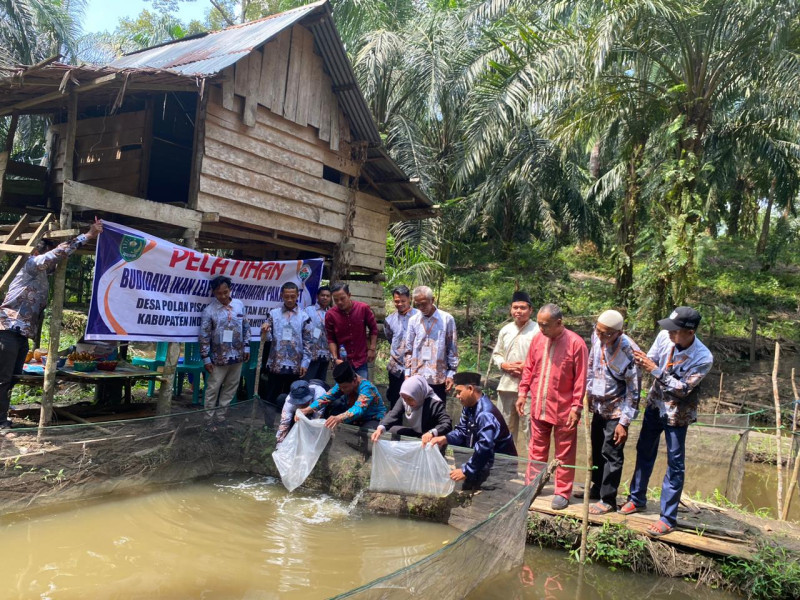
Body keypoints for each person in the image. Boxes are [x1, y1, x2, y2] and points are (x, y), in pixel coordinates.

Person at [0, 219, 103, 432]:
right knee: (3, 378)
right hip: (6, 330)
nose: (55, 265)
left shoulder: (42, 278)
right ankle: (0, 421)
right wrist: (88, 235)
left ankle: (2, 415)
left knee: (12, 378)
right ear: (41, 253)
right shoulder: (30, 265)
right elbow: (56, 254)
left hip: (20, 335)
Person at [620, 307, 713, 537]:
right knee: (644, 450)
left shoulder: (703, 357)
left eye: (675, 331)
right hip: (655, 405)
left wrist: (655, 370)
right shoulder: (664, 337)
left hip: (677, 414)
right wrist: (644, 361)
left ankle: (668, 517)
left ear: (690, 332)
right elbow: (652, 359)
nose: (670, 334)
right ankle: (637, 498)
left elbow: (683, 389)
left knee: (675, 462)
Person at [516, 303, 587, 510]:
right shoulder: (538, 339)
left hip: (565, 410)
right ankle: (532, 485)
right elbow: (529, 368)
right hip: (539, 405)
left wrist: (576, 407)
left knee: (564, 452)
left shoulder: (576, 344)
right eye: (539, 324)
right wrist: (523, 393)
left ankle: (563, 491)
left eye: (545, 325)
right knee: (536, 449)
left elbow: (581, 379)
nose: (541, 329)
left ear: (559, 323)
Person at [581, 310, 641, 515]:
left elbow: (634, 390)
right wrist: (588, 395)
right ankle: (596, 489)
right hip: (599, 405)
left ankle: (608, 499)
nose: (601, 336)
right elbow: (591, 365)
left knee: (611, 454)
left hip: (617, 409)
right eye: (598, 331)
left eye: (606, 334)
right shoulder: (596, 337)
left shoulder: (628, 351)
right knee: (597, 450)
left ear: (619, 332)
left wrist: (624, 423)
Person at [430, 371, 516, 489]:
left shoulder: (485, 413)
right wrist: (445, 438)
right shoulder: (469, 407)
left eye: (459, 392)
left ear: (470, 389)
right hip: (483, 459)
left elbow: (485, 445)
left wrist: (466, 470)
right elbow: (462, 431)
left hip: (499, 464)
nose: (457, 396)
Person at [199, 276, 251, 429]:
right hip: (218, 357)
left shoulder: (239, 305)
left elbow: (246, 327)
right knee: (213, 388)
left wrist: (246, 347)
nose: (222, 296)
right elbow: (204, 335)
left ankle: (221, 417)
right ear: (213, 293)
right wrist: (206, 358)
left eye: (225, 292)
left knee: (231, 387)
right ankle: (208, 420)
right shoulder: (209, 311)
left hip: (237, 355)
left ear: (230, 290)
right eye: (218, 293)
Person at [491, 290, 539, 452]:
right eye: (515, 307)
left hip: (530, 390)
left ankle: (532, 472)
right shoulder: (505, 330)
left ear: (530, 310)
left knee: (531, 432)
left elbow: (544, 357)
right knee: (505, 430)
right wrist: (504, 365)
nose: (518, 311)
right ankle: (508, 470)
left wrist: (527, 366)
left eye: (523, 308)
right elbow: (497, 354)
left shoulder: (538, 330)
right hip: (506, 387)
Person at [262, 281, 312, 409]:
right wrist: (265, 331)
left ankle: (288, 425)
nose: (290, 300)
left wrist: (305, 363)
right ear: (281, 296)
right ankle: (268, 424)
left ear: (297, 296)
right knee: (271, 395)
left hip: (295, 365)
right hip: (276, 363)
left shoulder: (304, 316)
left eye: (293, 296)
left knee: (294, 397)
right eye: (286, 296)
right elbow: (267, 339)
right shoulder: (273, 314)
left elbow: (309, 342)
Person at [404, 285, 459, 401]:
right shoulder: (413, 321)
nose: (421, 308)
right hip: (417, 376)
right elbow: (408, 349)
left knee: (437, 413)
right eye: (417, 305)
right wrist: (407, 373)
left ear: (432, 300)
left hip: (438, 377)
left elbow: (452, 349)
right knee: (418, 413)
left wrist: (451, 374)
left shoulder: (446, 319)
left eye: (424, 304)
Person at [301, 361, 386, 429]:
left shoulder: (367, 388)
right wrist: (306, 410)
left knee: (365, 434)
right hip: (354, 418)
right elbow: (326, 397)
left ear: (355, 380)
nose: (342, 389)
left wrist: (338, 418)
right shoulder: (342, 385)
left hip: (373, 418)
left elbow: (358, 408)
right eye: (340, 387)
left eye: (345, 387)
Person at [371, 375, 452, 443]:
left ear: (418, 393)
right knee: (393, 430)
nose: (407, 402)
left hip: (430, 438)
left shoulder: (434, 403)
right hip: (417, 433)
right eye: (404, 398)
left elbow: (446, 423)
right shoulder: (404, 398)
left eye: (410, 398)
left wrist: (432, 433)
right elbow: (393, 414)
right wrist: (380, 428)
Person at [324, 282, 378, 379]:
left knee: (362, 390)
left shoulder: (363, 308)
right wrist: (335, 358)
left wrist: (372, 349)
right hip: (342, 362)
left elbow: (373, 329)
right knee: (345, 391)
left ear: (349, 295)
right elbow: (330, 338)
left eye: (342, 298)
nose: (339, 302)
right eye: (336, 300)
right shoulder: (330, 315)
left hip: (361, 360)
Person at [383, 285, 418, 410]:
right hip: (396, 368)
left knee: (414, 398)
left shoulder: (419, 317)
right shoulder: (389, 320)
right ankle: (394, 428)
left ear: (409, 299)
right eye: (397, 301)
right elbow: (389, 338)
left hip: (415, 368)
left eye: (403, 301)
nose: (400, 304)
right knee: (395, 398)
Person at [276, 379, 328, 444]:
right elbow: (284, 423)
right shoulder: (289, 401)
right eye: (298, 403)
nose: (301, 404)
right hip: (309, 386)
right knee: (281, 399)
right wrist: (279, 444)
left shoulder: (320, 396)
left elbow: (316, 420)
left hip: (322, 400)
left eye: (303, 402)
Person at [304, 285, 331, 382]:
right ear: (317, 296)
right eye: (322, 295)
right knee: (308, 381)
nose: (325, 298)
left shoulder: (332, 312)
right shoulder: (308, 310)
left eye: (328, 296)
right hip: (311, 353)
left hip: (326, 353)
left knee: (321, 382)